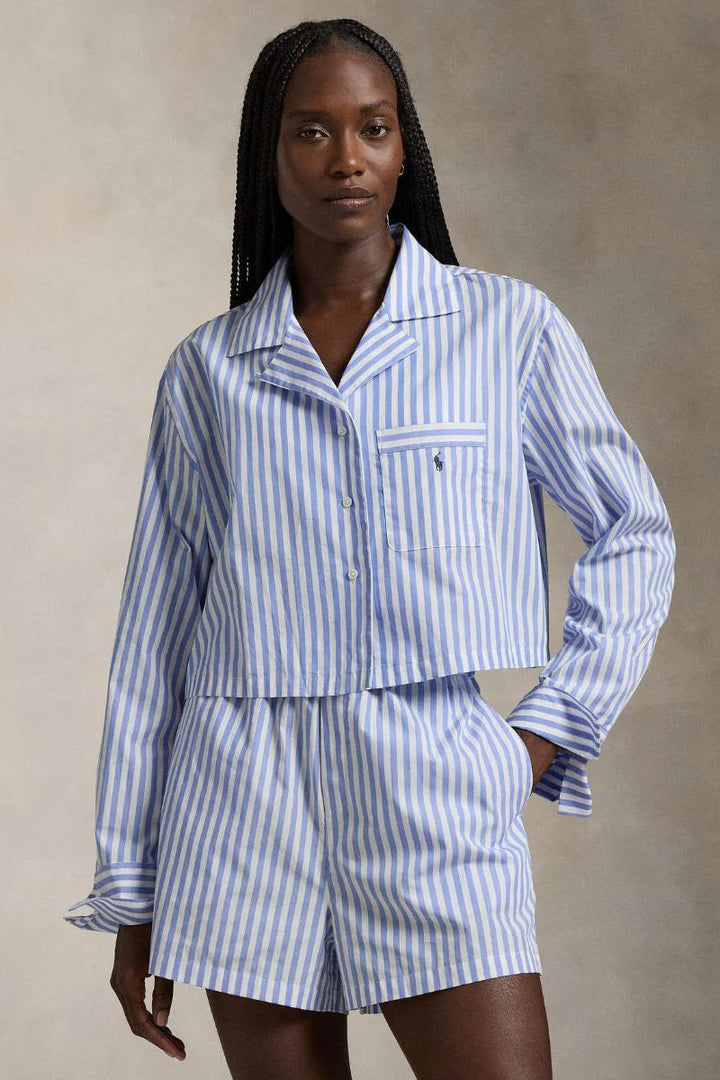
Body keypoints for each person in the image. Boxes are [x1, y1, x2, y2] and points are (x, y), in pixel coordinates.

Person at [63, 17, 676, 1080]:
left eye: (372, 128)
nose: (345, 158)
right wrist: (137, 887)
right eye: (311, 131)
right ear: (270, 154)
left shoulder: (507, 330)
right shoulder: (210, 374)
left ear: (404, 151)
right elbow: (156, 632)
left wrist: (539, 734)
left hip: (433, 790)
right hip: (243, 804)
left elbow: (635, 531)